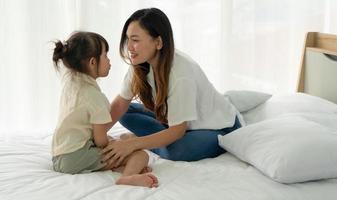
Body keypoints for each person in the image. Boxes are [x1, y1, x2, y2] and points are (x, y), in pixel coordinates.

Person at [102, 8, 241, 167]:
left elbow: (178, 131)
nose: (129, 47)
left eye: (135, 40)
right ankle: (154, 139)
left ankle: (145, 140)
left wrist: (133, 144)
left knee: (174, 151)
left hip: (215, 128)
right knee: (124, 111)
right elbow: (120, 104)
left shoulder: (180, 74)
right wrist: (94, 137)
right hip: (174, 122)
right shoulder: (141, 63)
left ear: (158, 42)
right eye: (128, 39)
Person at [51, 31, 158, 188]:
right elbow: (100, 140)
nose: (109, 61)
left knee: (124, 142)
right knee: (141, 155)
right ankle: (128, 176)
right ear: (92, 62)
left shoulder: (70, 81)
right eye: (106, 56)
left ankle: (121, 168)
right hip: (74, 157)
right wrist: (118, 146)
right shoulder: (95, 98)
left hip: (58, 155)